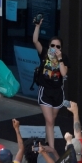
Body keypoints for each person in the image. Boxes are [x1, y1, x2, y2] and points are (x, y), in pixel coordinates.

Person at [33, 17, 68, 146]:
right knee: (49, 120)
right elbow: (35, 41)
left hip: (58, 92)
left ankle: (48, 141)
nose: (54, 48)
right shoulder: (45, 53)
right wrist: (37, 26)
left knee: (52, 120)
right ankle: (51, 148)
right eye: (52, 46)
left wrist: (59, 58)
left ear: (61, 48)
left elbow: (64, 73)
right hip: (45, 90)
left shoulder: (64, 58)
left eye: (57, 46)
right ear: (49, 46)